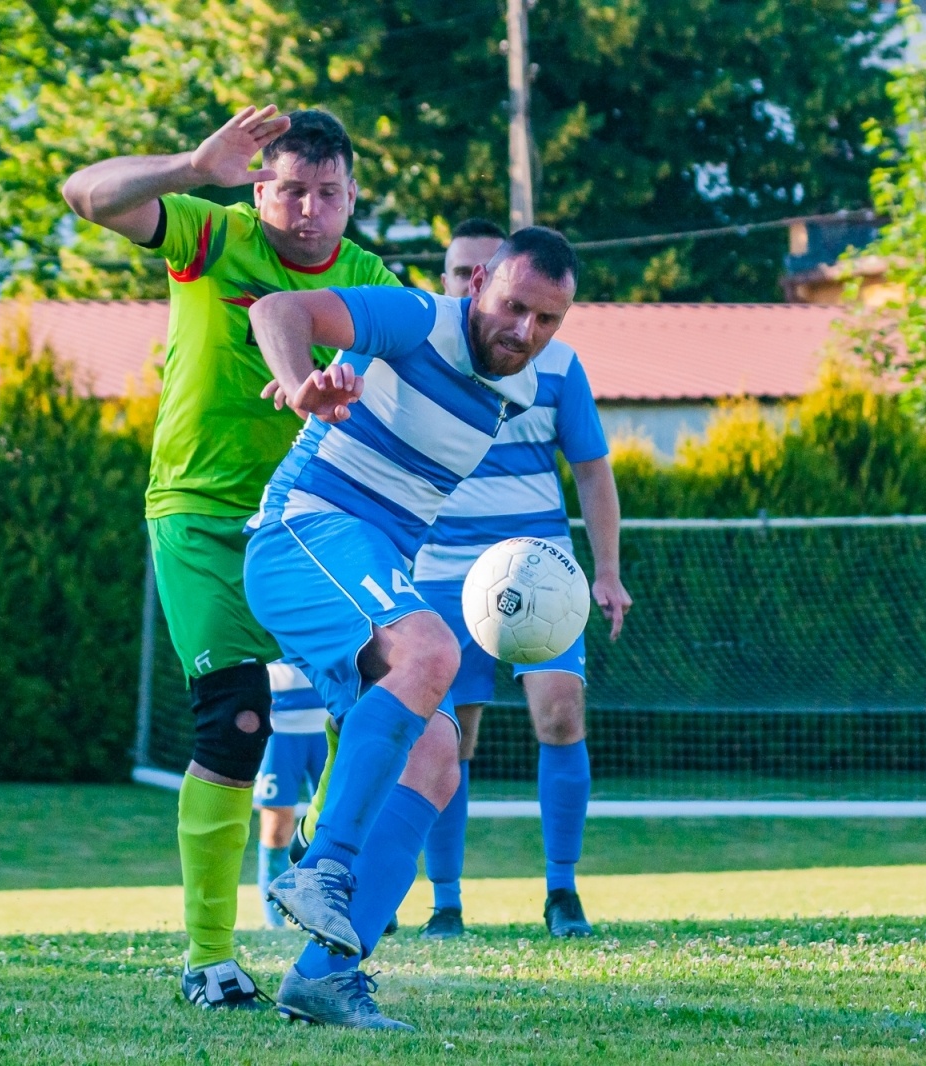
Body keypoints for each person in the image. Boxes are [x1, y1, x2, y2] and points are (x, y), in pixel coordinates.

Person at [61, 105, 400, 1010]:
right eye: (290, 189)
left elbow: (435, 361)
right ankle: (209, 958)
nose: (308, 210)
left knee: (382, 696)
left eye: (329, 194)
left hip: (308, 524)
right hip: (200, 514)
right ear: (260, 188)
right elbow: (84, 194)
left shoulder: (369, 281)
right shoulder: (212, 234)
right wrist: (189, 165)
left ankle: (319, 865)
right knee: (236, 720)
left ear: (352, 197)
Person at [243, 227, 581, 1029]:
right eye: (513, 307)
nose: (525, 332)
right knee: (433, 649)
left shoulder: (523, 389)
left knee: (434, 761)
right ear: (477, 289)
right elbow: (279, 309)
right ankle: (320, 866)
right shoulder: (416, 319)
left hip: (360, 559)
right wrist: (298, 385)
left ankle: (327, 973)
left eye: (548, 322)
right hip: (302, 532)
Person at [413, 218, 630, 940]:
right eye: (457, 271)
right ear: (456, 282)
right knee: (449, 740)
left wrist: (606, 571)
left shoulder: (559, 366)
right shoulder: (417, 355)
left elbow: (593, 472)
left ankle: (562, 892)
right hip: (441, 575)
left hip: (540, 572)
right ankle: (446, 902)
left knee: (562, 713)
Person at [255, 664, 329, 929]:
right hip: (280, 729)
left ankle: (331, 914)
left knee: (334, 821)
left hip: (327, 721)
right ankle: (275, 923)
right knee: (276, 829)